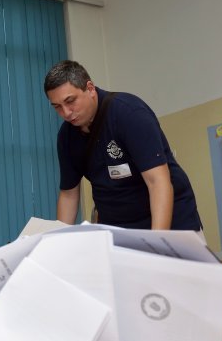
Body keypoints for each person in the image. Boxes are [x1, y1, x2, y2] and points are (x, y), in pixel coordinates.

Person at [44, 60, 202, 231]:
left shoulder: (128, 113)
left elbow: (158, 181)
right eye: (57, 107)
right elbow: (68, 195)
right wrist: (58, 243)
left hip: (170, 223)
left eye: (70, 101)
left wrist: (158, 241)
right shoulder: (67, 137)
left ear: (90, 89)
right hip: (119, 228)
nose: (66, 113)